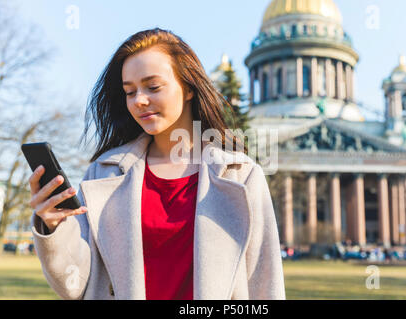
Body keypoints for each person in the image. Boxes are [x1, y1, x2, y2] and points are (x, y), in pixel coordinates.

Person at [28, 28, 285, 300]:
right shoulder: (103, 173)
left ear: (188, 88)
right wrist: (54, 228)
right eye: (129, 91)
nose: (139, 100)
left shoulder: (241, 176)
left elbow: (264, 286)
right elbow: (76, 285)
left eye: (153, 87)